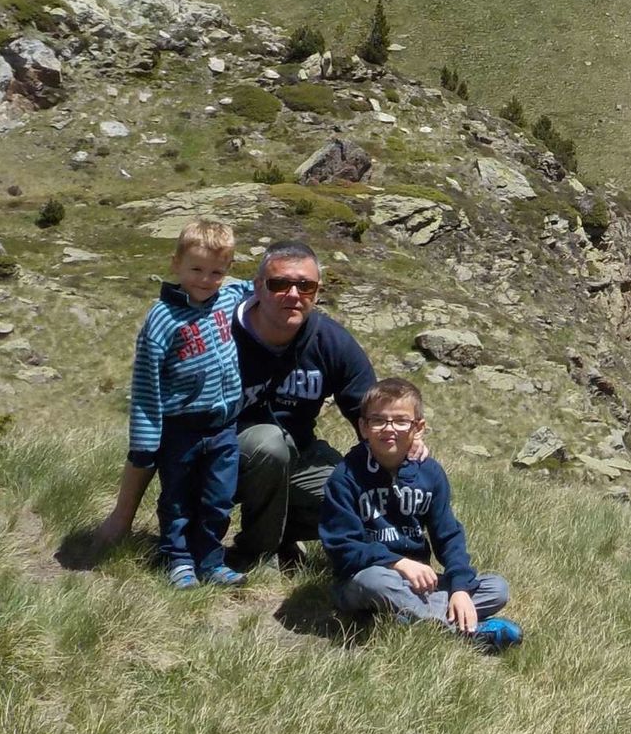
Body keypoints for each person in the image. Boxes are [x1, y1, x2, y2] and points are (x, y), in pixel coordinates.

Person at [99, 218, 249, 588]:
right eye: (196, 269)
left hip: (224, 426)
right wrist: (145, 442)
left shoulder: (228, 299)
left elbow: (255, 286)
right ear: (175, 264)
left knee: (218, 498)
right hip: (181, 428)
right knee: (178, 498)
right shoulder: (162, 319)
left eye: (216, 272)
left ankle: (211, 559)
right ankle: (177, 558)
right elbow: (147, 384)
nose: (204, 279)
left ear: (227, 271)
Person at [318, 377, 522, 650]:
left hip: (420, 582)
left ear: (418, 428)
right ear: (364, 427)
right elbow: (342, 547)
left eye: (401, 421)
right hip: (365, 579)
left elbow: (448, 535)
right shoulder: (345, 477)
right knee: (376, 581)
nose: (389, 429)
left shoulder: (431, 474)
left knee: (496, 588)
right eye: (378, 420)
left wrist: (460, 588)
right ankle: (462, 632)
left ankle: (413, 617)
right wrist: (398, 563)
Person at [227, 240, 379, 570]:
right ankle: (255, 555)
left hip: (297, 456)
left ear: (317, 291)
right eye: (279, 284)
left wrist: (404, 462)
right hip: (222, 456)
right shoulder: (222, 332)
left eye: (305, 286)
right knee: (268, 444)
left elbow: (371, 414)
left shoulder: (331, 341)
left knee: (357, 499)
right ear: (258, 287)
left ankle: (279, 535)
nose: (294, 295)